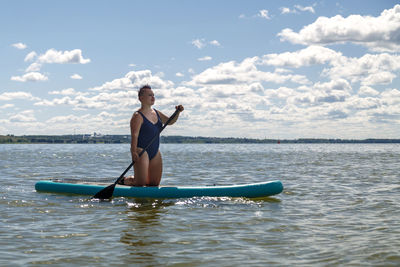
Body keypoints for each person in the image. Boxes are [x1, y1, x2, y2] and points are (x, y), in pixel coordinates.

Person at [120, 85, 184, 186]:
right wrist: (133, 152)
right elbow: (134, 136)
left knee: (154, 184)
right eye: (150, 95)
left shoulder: (157, 113)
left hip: (155, 151)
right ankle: (124, 181)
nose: (153, 97)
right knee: (140, 183)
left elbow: (170, 122)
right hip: (141, 151)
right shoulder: (137, 116)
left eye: (153, 95)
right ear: (141, 98)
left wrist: (177, 112)